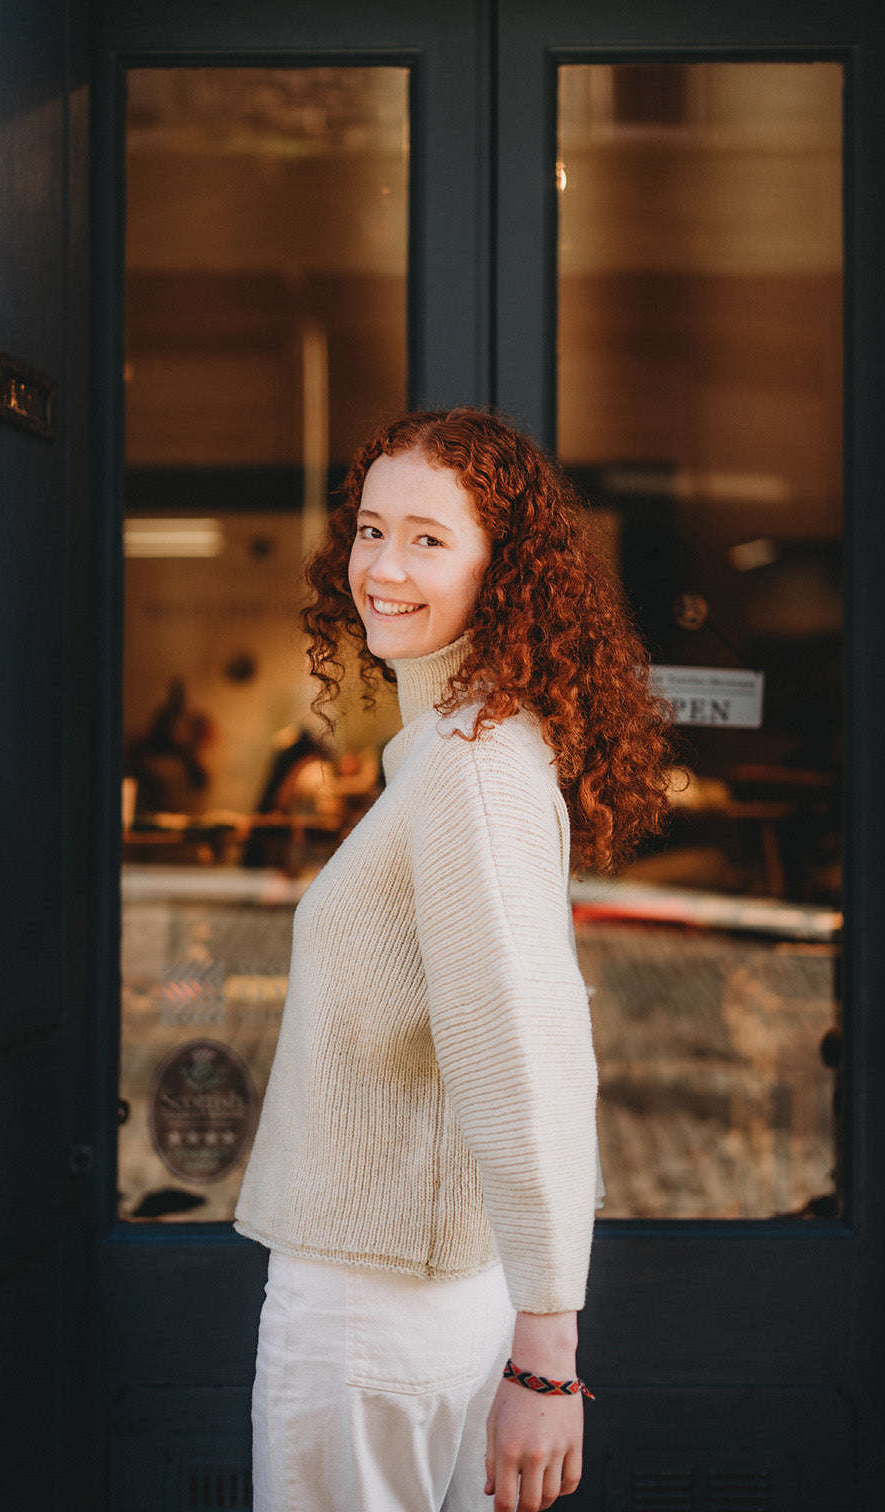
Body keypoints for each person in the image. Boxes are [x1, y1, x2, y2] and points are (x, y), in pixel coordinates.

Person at [235, 408, 671, 1512]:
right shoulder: (453, 745)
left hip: (373, 1311)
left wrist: (547, 1353)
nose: (381, 566)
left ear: (505, 569)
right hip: (408, 1296)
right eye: (371, 529)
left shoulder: (471, 767)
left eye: (428, 539)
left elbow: (526, 1055)